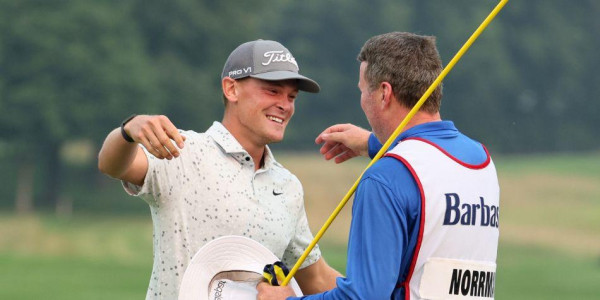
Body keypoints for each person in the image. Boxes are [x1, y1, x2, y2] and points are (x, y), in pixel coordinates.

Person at [257, 32, 500, 299]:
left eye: (363, 90)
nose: (362, 100)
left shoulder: (385, 178)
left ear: (384, 93)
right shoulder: (481, 161)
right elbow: (431, 169)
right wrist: (373, 144)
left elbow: (365, 296)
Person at [97, 39, 340, 299]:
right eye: (273, 91)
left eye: (291, 97)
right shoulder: (182, 150)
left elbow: (316, 277)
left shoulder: (288, 186)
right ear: (231, 89)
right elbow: (112, 165)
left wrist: (384, 290)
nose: (285, 104)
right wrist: (128, 131)